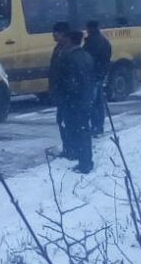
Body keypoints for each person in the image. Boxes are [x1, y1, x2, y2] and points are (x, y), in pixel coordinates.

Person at [57, 31, 95, 174]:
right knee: (84, 129)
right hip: (85, 99)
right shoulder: (86, 55)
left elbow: (70, 82)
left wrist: (66, 96)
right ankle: (86, 160)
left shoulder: (69, 57)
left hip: (73, 101)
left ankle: (83, 162)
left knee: (77, 131)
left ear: (70, 40)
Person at [48, 21, 73, 158]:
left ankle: (70, 150)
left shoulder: (67, 50)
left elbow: (66, 74)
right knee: (62, 121)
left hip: (66, 95)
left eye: (56, 33)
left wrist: (63, 90)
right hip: (61, 93)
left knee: (67, 122)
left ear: (63, 34)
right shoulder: (60, 48)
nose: (53, 35)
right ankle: (68, 148)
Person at [83, 21, 112, 136]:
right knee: (98, 103)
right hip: (99, 75)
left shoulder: (92, 42)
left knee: (93, 102)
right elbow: (106, 58)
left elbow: (89, 59)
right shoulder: (103, 41)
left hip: (92, 75)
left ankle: (95, 126)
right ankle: (98, 126)